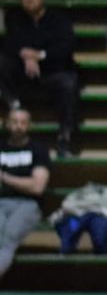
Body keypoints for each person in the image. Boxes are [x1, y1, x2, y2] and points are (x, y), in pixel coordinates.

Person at [0, 0, 80, 158]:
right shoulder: (14, 17)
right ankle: (15, 106)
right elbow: (10, 43)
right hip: (24, 73)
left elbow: (66, 47)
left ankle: (65, 136)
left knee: (69, 82)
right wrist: (25, 54)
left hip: (52, 71)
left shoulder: (59, 19)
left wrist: (41, 56)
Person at [0, 107, 50, 279]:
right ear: (7, 124)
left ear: (29, 125)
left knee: (9, 236)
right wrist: (24, 182)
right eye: (14, 122)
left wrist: (5, 178)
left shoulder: (38, 150)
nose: (18, 126)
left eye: (22, 122)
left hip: (28, 204)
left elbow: (38, 187)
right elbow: (31, 182)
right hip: (1, 202)